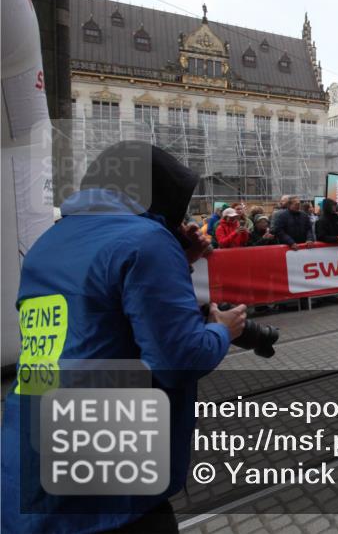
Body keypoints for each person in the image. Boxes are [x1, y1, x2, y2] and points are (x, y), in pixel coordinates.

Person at [1, 141, 246, 533]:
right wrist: (222, 329)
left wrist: (179, 259)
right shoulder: (147, 240)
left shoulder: (48, 242)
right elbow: (179, 360)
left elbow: (96, 314)